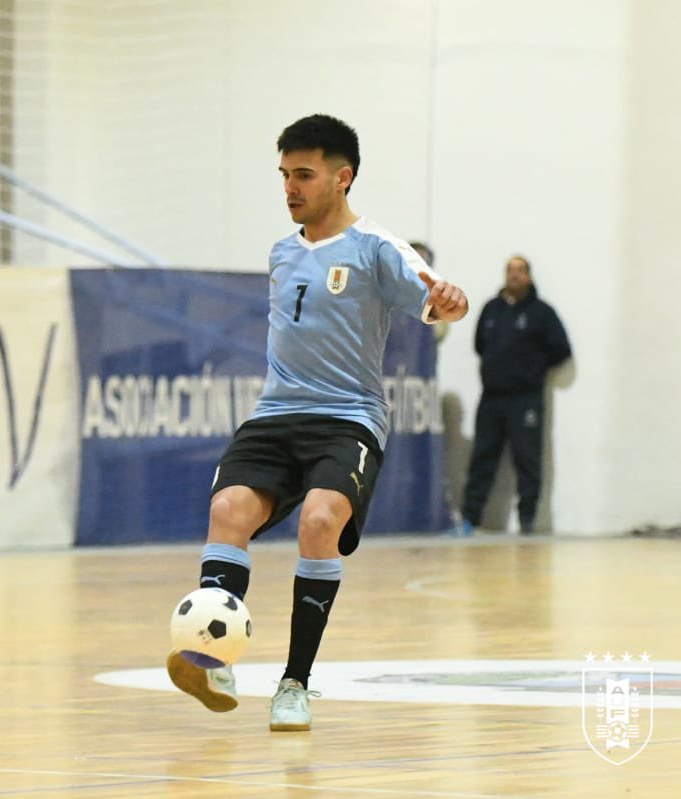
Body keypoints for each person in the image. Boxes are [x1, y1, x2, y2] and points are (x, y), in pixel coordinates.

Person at [165, 114, 468, 731]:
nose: (290, 188)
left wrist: (449, 302)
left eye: (304, 175)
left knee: (320, 519)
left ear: (342, 177)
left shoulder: (375, 247)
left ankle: (294, 684)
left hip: (347, 418)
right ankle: (211, 658)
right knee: (228, 512)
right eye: (284, 175)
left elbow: (432, 295)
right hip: (276, 414)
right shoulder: (281, 252)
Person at [460, 254, 571, 535]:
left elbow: (561, 350)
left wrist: (532, 370)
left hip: (526, 401)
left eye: (520, 271)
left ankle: (528, 525)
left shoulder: (542, 312)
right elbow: (479, 346)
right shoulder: (491, 309)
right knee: (482, 459)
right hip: (491, 399)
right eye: (510, 270)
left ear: (529, 276)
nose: (514, 275)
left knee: (528, 462)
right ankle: (469, 522)